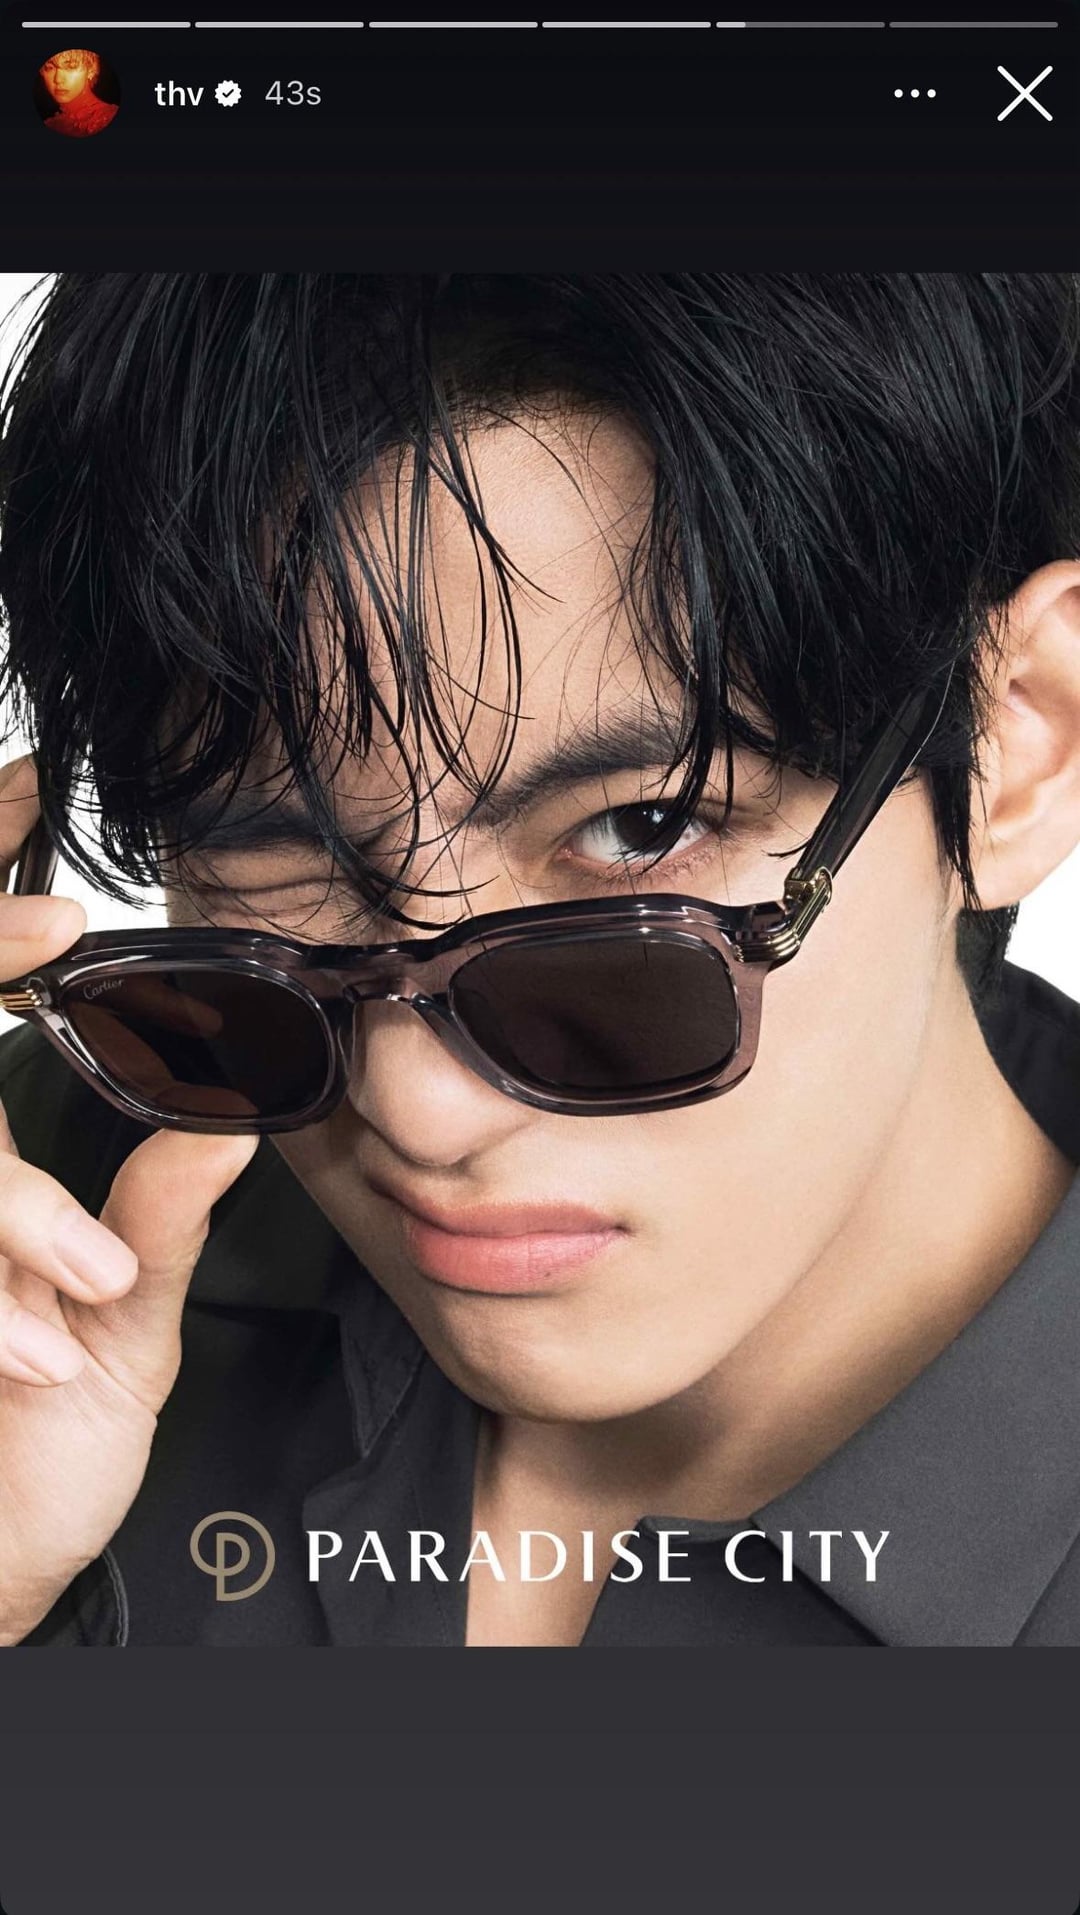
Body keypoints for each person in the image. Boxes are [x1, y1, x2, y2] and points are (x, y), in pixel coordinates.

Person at [2, 272, 1080, 1650]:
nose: (416, 1107)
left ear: (1020, 738)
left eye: (642, 830)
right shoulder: (65, 1203)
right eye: (276, 854)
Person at [36, 49, 119, 140]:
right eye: (49, 68)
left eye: (71, 66)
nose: (58, 79)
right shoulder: (51, 124)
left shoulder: (108, 119)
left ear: (91, 71)